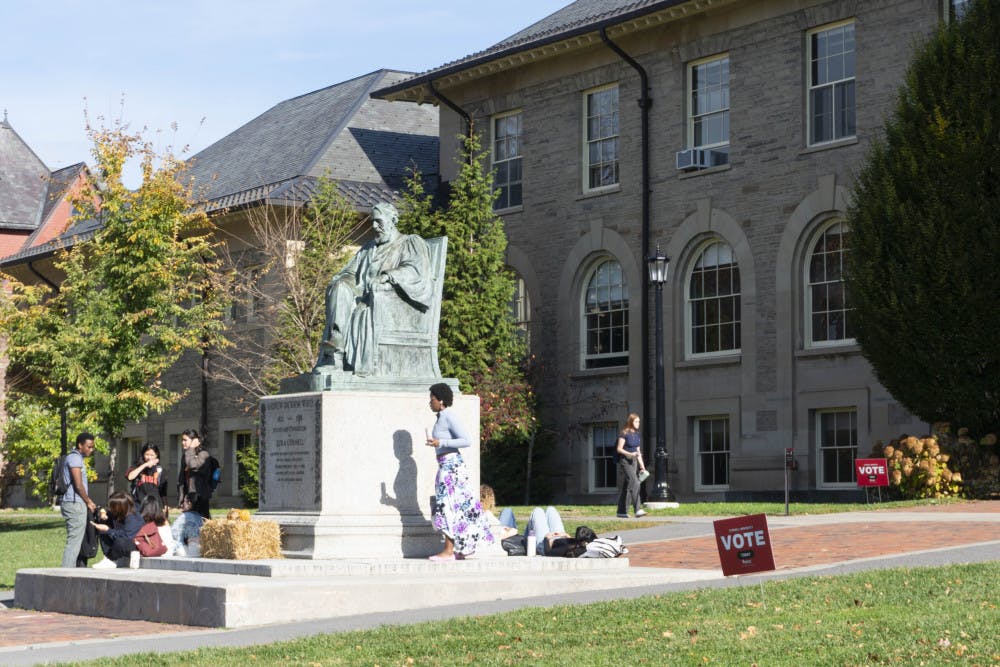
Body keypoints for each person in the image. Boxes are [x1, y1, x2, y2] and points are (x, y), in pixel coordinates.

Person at [315, 202, 433, 376]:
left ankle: (338, 353)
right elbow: (350, 272)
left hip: (392, 303)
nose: (374, 226)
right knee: (340, 288)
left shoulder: (410, 242)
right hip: (364, 297)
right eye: (372, 222)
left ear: (393, 220)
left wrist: (388, 276)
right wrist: (341, 281)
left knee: (360, 306)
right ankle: (336, 353)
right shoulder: (368, 248)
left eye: (379, 221)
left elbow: (416, 271)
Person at [426, 382, 494, 561]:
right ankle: (461, 548)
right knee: (454, 506)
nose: (429, 402)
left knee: (448, 506)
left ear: (440, 400)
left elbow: (466, 440)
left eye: (432, 399)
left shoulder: (448, 416)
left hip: (452, 468)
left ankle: (449, 550)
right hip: (446, 466)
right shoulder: (441, 417)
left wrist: (441, 443)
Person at [59, 432, 98, 568]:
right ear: (80, 445)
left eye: (93, 447)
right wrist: (88, 501)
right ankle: (66, 573)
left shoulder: (75, 458)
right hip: (74, 503)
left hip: (75, 502)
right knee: (74, 540)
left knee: (76, 539)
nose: (91, 450)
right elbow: (78, 485)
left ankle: (71, 570)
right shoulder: (75, 459)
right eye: (89, 447)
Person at [91, 491, 143, 568]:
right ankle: (108, 556)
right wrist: (103, 512)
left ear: (120, 506)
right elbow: (105, 509)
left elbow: (126, 536)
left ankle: (111, 559)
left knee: (120, 541)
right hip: (126, 540)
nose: (110, 508)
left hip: (136, 544)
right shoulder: (122, 512)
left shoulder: (132, 517)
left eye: (112, 506)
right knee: (104, 529)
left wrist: (108, 530)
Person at [523, 506, 597, 557]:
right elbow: (575, 542)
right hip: (560, 537)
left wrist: (546, 538)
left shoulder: (567, 549)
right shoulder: (581, 543)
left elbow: (548, 552)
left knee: (537, 511)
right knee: (551, 509)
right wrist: (567, 536)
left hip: (544, 544)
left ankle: (527, 543)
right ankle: (526, 541)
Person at [616, 413, 648, 518]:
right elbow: (619, 449)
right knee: (635, 483)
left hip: (634, 462)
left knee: (628, 486)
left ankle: (621, 511)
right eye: (636, 421)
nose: (638, 423)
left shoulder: (637, 435)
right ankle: (637, 509)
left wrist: (642, 466)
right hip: (625, 461)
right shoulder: (624, 433)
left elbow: (638, 452)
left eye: (639, 421)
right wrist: (630, 454)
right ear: (630, 422)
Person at [177, 429, 212, 518]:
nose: (182, 442)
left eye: (185, 440)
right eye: (182, 440)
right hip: (188, 498)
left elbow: (193, 465)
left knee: (201, 526)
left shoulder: (204, 455)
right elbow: (182, 479)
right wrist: (181, 499)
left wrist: (191, 448)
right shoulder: (185, 456)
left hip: (200, 498)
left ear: (195, 441)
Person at [479, 484, 518, 555]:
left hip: (499, 532)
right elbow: (493, 538)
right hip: (499, 540)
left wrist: (503, 528)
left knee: (507, 511)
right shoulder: (487, 514)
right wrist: (511, 533)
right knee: (507, 511)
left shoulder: (484, 514)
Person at [171, 491, 205, 557]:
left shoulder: (184, 517)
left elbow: (174, 533)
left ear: (189, 503)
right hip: (202, 550)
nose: (181, 505)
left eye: (184, 501)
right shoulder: (203, 518)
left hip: (187, 552)